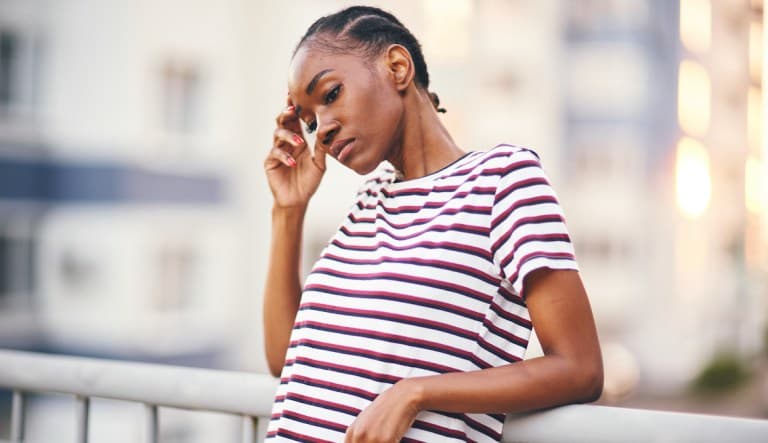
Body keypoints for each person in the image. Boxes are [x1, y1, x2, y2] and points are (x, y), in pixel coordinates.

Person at [263, 5, 603, 442]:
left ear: (398, 67)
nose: (322, 131)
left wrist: (416, 393)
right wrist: (288, 210)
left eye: (330, 95)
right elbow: (286, 361)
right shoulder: (370, 204)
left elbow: (580, 368)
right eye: (309, 122)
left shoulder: (501, 179)